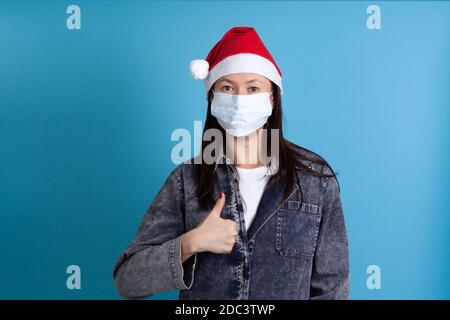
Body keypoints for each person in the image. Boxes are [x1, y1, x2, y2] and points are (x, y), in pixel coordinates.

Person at [113, 26, 349, 300]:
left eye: (253, 88)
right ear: (212, 97)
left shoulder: (315, 180)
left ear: (272, 97)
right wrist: (190, 243)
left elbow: (333, 290)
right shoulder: (186, 181)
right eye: (227, 87)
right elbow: (127, 280)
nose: (239, 100)